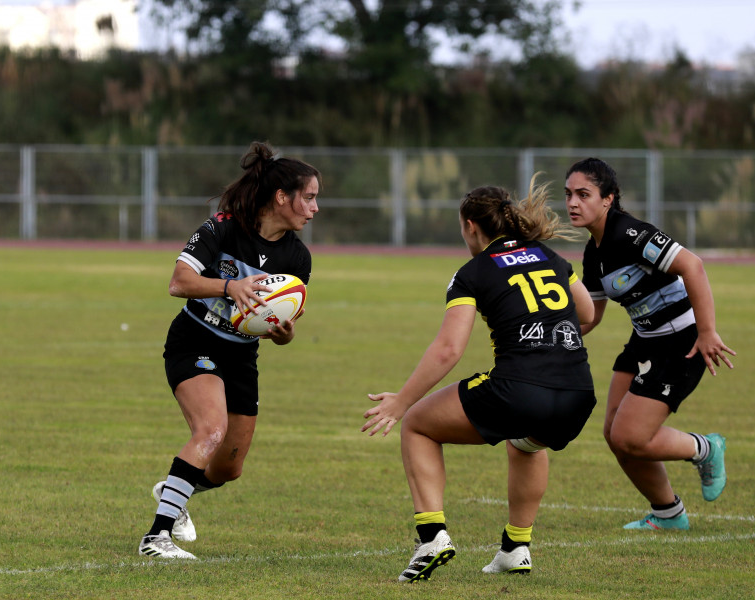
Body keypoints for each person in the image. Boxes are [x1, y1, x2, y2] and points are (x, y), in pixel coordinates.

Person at [362, 175, 597, 582]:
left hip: (520, 389)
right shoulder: (549, 256)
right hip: (578, 394)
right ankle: (515, 547)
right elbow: (588, 315)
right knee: (526, 443)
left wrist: (401, 401)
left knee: (417, 424)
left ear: (471, 226)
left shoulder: (473, 271)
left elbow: (448, 349)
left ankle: (432, 535)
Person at [138, 141, 321, 559]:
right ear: (281, 197)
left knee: (227, 467)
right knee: (211, 429)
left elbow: (280, 321)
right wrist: (228, 286)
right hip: (195, 339)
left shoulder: (298, 257)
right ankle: (156, 537)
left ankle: (174, 488)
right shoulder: (222, 227)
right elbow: (178, 283)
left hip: (242, 355)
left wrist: (283, 333)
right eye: (308, 197)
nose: (314, 208)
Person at [564, 157, 735, 531]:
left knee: (630, 436)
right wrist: (550, 330)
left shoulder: (629, 233)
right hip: (644, 340)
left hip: (681, 342)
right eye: (569, 195)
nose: (572, 203)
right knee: (614, 434)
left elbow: (693, 266)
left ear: (608, 198)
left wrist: (707, 332)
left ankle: (706, 448)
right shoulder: (594, 252)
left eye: (583, 194)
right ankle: (668, 514)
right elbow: (591, 315)